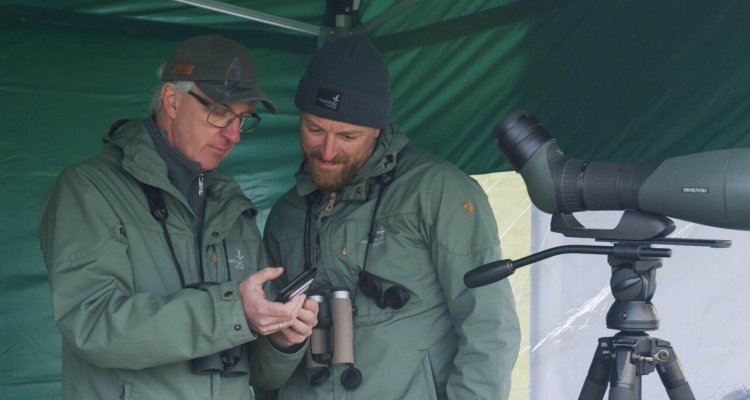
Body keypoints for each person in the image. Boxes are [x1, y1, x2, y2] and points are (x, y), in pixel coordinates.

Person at [38, 35, 318, 400]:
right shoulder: (90, 189)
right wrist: (230, 311)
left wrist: (281, 339)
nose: (233, 134)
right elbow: (92, 324)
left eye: (243, 119)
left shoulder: (233, 207)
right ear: (172, 100)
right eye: (219, 112)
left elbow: (260, 375)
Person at [261, 35, 521, 399]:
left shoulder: (437, 191)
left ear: (378, 129)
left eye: (348, 135)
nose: (328, 150)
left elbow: (489, 329)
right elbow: (263, 373)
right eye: (314, 129)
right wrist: (281, 342)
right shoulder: (285, 215)